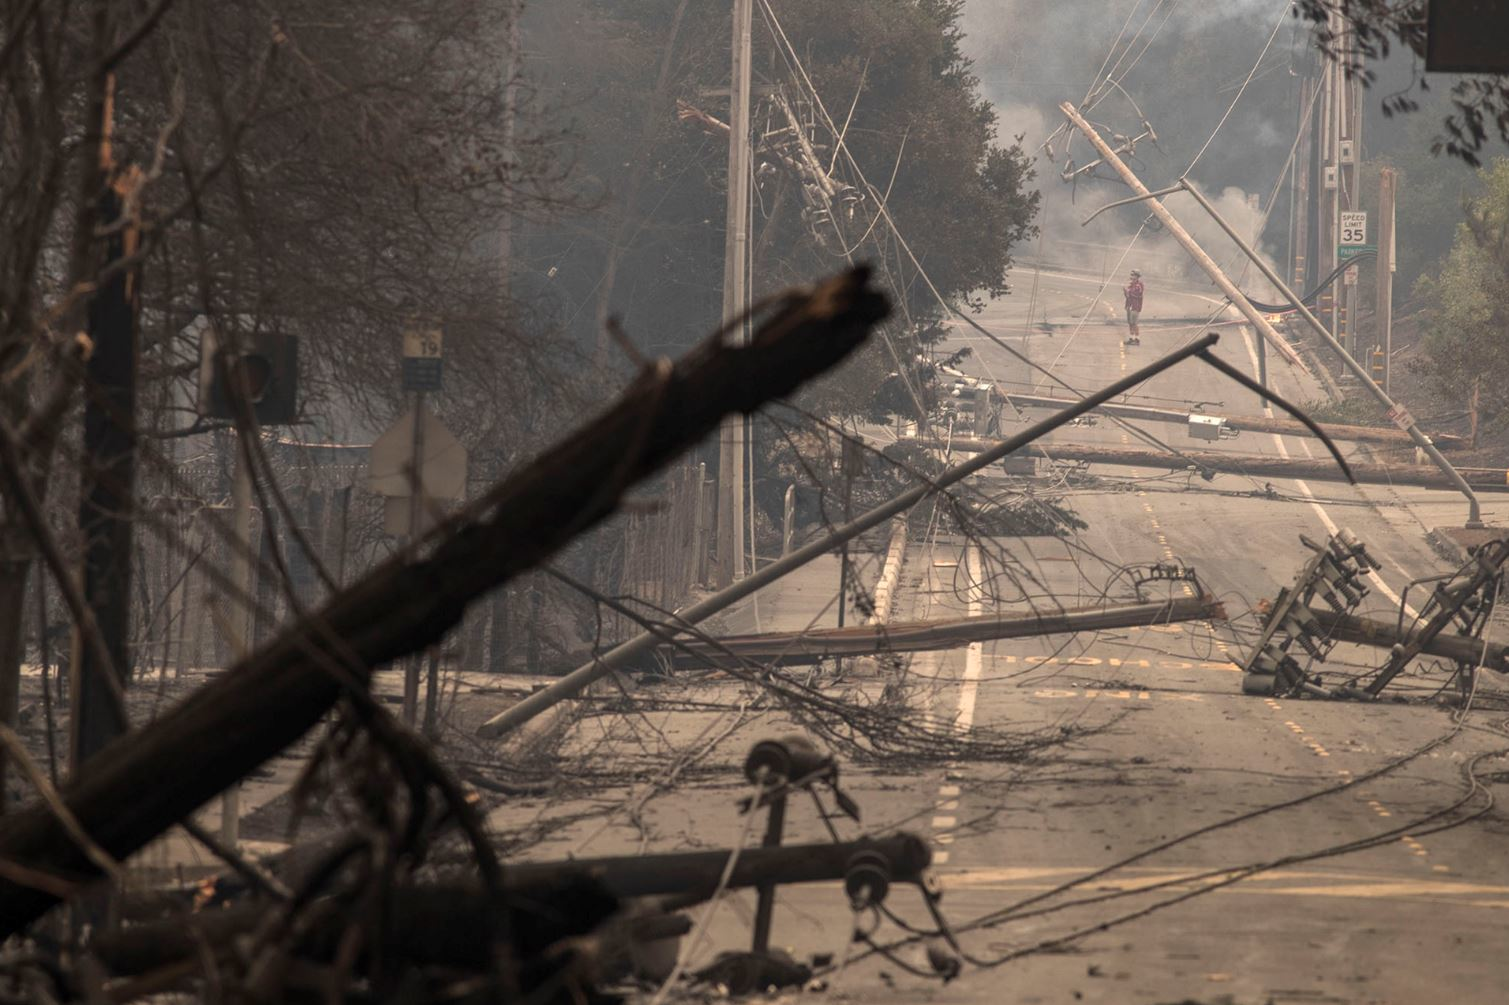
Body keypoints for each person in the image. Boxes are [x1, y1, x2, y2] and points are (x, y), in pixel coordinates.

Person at [1123, 269, 1144, 345]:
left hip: (1135, 306)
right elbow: (1127, 296)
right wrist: (1125, 291)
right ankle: (1131, 338)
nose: (1131, 276)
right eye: (1131, 275)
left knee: (1134, 323)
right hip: (1130, 305)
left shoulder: (1139, 285)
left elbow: (1137, 294)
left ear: (1137, 276)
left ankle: (1137, 339)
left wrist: (1128, 291)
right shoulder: (1131, 284)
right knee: (1130, 323)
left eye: (1133, 275)